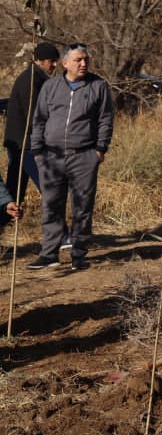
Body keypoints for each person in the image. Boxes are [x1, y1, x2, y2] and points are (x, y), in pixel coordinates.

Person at [27, 44, 114, 271]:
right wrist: (37, 151)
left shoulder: (98, 87)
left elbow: (106, 119)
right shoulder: (50, 87)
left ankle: (79, 254)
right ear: (65, 63)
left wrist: (100, 150)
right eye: (78, 60)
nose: (83, 64)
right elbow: (39, 119)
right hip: (51, 157)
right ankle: (49, 254)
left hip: (84, 156)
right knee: (51, 205)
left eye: (86, 59)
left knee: (82, 207)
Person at [2, 41, 59, 228]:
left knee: (11, 195)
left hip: (24, 144)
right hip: (25, 145)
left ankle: (1, 224)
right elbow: (35, 116)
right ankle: (62, 233)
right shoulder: (30, 81)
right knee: (48, 187)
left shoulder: (38, 79)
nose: (55, 65)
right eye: (52, 61)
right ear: (41, 61)